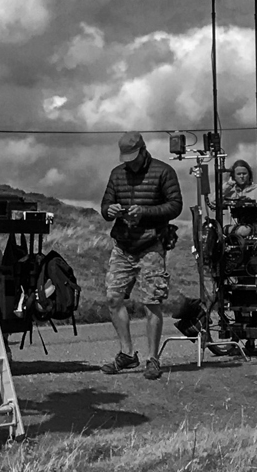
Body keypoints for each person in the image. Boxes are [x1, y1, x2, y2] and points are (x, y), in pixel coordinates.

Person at [100, 131, 183, 380]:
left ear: (144, 150)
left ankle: (153, 359)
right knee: (113, 298)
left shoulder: (164, 171)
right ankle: (127, 354)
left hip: (152, 244)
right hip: (123, 245)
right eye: (126, 158)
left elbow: (175, 205)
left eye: (133, 157)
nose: (130, 162)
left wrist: (144, 212)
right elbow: (104, 207)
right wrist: (110, 210)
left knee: (151, 301)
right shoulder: (117, 174)